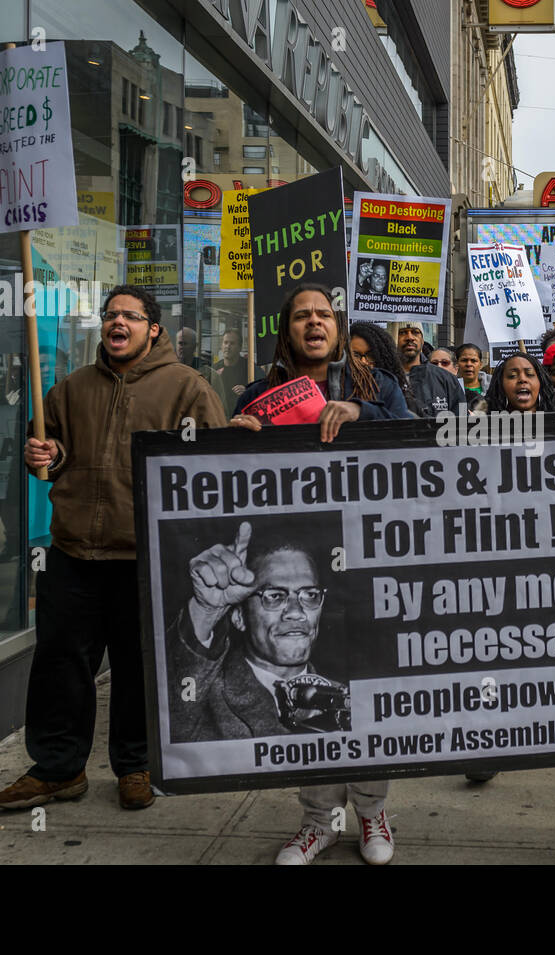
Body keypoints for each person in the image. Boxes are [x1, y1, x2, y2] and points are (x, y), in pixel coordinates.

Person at [0, 285, 228, 813]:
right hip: (74, 553)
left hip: (145, 557)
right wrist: (43, 452)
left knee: (136, 667)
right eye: (110, 315)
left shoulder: (189, 389)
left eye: (130, 316)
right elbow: (49, 457)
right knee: (61, 664)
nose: (117, 322)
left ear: (154, 329)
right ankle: (58, 768)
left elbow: (213, 470)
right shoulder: (70, 390)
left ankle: (136, 765)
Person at [230, 283, 408, 864]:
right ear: (287, 330)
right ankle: (319, 820)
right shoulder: (260, 392)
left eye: (324, 315)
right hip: (300, 571)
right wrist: (236, 440)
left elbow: (410, 438)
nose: (314, 323)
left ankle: (372, 809)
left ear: (338, 328)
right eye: (302, 315)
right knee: (310, 692)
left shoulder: (376, 385)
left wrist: (362, 411)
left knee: (368, 685)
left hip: (366, 559)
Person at [171, 524, 349, 740]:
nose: (296, 613)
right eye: (274, 596)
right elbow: (172, 723)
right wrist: (206, 611)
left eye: (310, 595)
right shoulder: (203, 699)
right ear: (239, 617)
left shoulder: (348, 699)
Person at [394, 321, 465, 417]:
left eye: (415, 332)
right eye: (402, 332)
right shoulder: (382, 378)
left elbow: (462, 421)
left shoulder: (446, 379)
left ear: (422, 340)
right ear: (393, 337)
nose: (409, 337)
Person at [209, 328, 248, 416]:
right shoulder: (214, 369)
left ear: (240, 347)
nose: (228, 346)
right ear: (221, 345)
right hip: (220, 416)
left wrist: (247, 391)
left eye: (232, 343)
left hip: (242, 417)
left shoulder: (249, 368)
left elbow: (259, 392)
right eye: (225, 343)